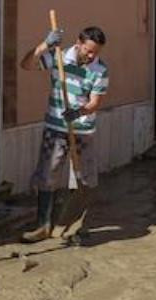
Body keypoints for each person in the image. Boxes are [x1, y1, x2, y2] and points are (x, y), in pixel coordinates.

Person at [19, 26, 109, 244]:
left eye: (95, 52)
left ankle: (70, 227)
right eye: (88, 51)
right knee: (46, 176)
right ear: (78, 43)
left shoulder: (100, 70)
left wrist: (78, 112)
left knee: (85, 181)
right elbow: (26, 65)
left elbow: (95, 102)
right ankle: (43, 226)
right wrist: (45, 44)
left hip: (83, 130)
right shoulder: (58, 57)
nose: (91, 56)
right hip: (55, 127)